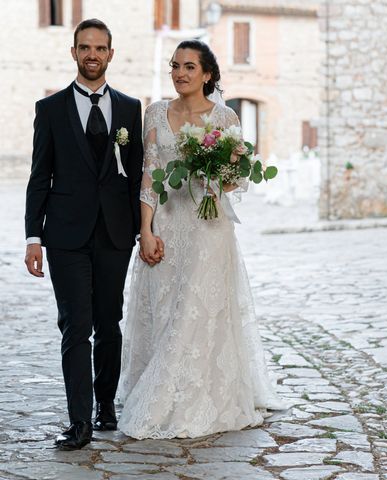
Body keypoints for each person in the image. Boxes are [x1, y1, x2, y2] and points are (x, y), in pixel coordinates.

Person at [118, 40, 285, 439]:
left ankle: (192, 396)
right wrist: (146, 229)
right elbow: (150, 173)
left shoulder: (225, 118)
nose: (179, 73)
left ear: (207, 74)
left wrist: (218, 171)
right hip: (169, 222)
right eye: (174, 66)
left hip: (209, 228)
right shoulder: (156, 113)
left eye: (189, 67)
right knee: (165, 306)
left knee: (197, 308)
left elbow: (236, 180)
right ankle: (159, 385)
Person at [24, 19, 144, 449]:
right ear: (73, 52)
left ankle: (105, 405)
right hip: (65, 235)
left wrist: (138, 229)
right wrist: (33, 237)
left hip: (114, 233)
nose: (92, 54)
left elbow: (135, 178)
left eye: (100, 48)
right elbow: (40, 176)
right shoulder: (51, 109)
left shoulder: (131, 108)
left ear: (111, 54)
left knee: (109, 323)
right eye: (84, 47)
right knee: (76, 326)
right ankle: (79, 422)